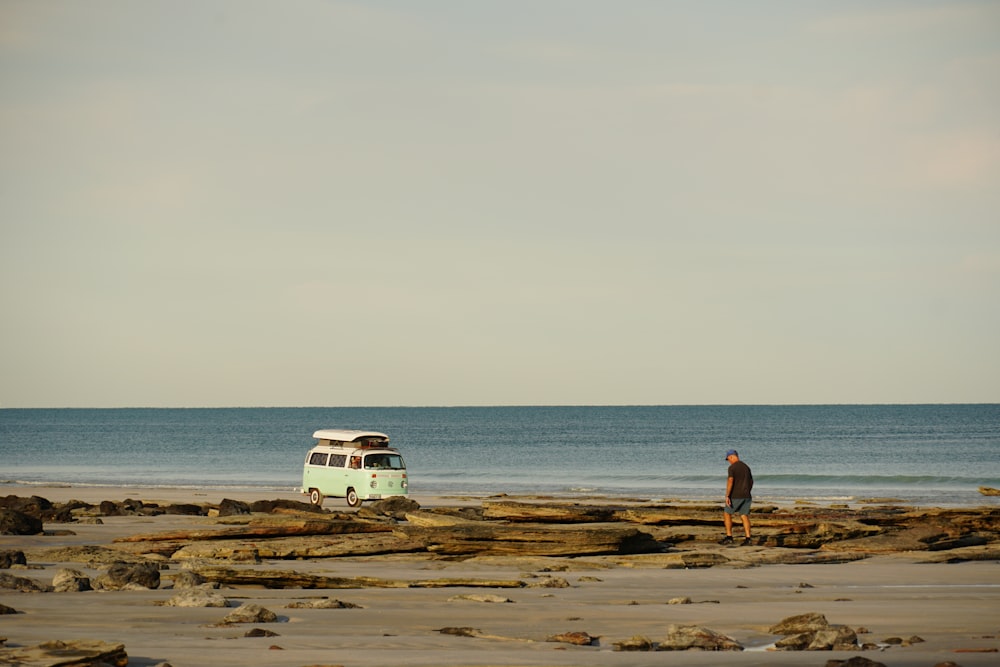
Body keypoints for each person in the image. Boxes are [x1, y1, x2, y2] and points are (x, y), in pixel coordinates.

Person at [720, 449, 753, 546]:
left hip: (735, 495)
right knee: (744, 516)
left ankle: (729, 536)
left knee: (727, 513)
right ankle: (748, 538)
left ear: (732, 456)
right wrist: (748, 491)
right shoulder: (746, 467)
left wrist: (727, 496)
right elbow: (751, 481)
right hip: (747, 495)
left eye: (728, 459)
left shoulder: (732, 468)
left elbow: (730, 480)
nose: (728, 461)